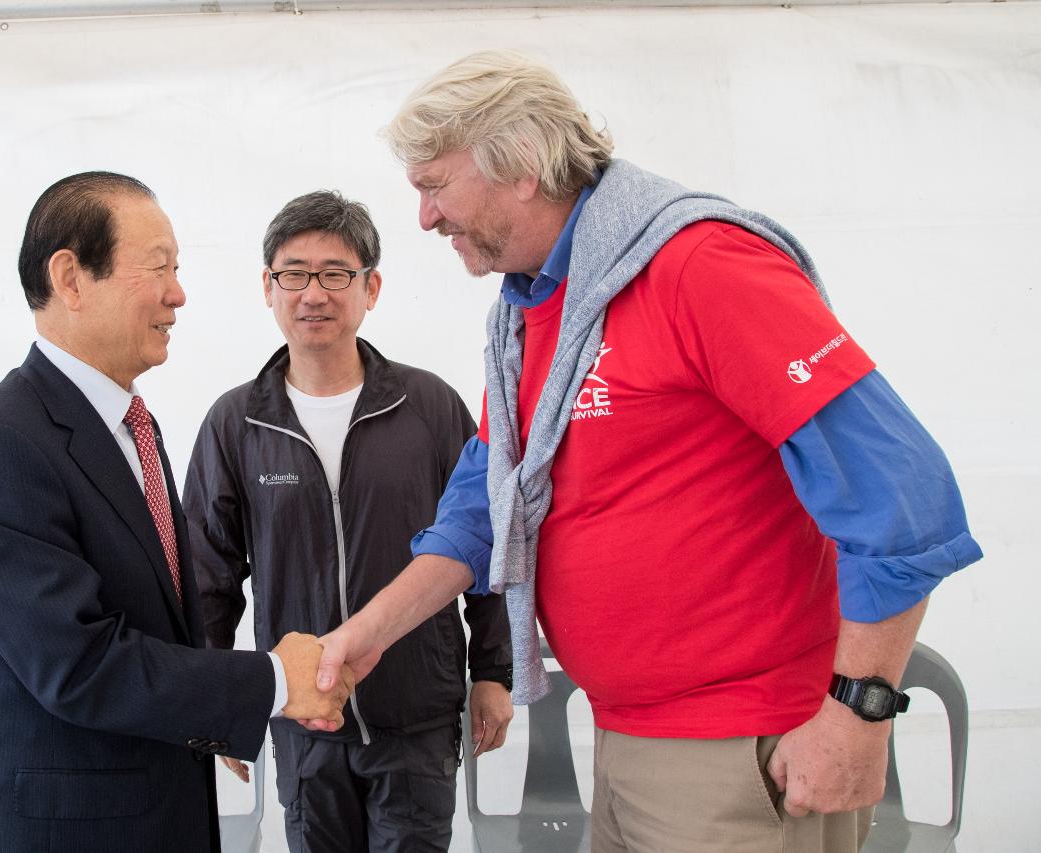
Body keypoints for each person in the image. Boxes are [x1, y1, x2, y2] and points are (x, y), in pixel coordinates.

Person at [309, 50, 984, 852]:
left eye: (435, 183)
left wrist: (858, 716)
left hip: (742, 749)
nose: (423, 217)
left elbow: (902, 493)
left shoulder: (698, 266)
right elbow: (480, 508)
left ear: (521, 166)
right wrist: (367, 633)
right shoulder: (532, 312)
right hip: (627, 739)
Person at [0, 171, 353, 853]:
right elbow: (78, 663)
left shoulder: (133, 427)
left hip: (158, 813)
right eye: (159, 267)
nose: (178, 294)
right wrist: (271, 679)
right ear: (70, 276)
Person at [183, 190, 513, 852]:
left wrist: (494, 671)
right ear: (268, 288)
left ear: (372, 287)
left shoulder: (429, 406)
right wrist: (220, 703)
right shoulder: (236, 421)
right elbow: (207, 576)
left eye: (336, 273)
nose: (315, 293)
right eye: (294, 273)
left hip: (416, 717)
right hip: (303, 722)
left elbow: (488, 538)